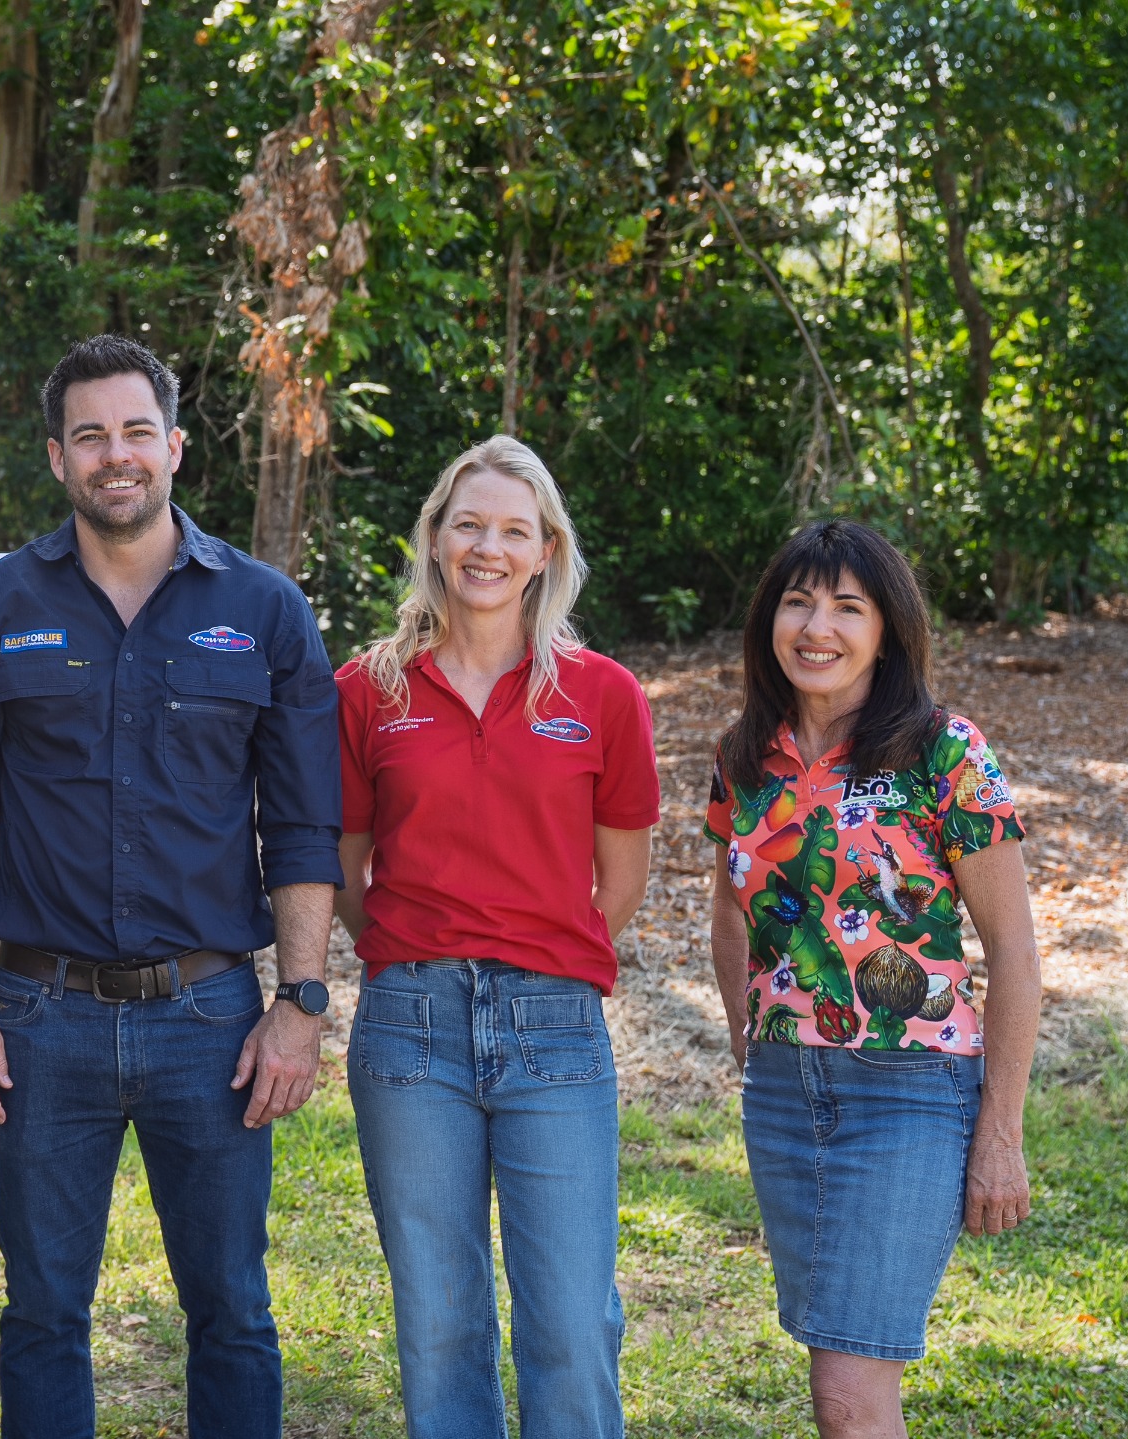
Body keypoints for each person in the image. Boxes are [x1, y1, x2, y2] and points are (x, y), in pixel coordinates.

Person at [0, 334, 342, 1439]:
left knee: (232, 1310)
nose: (117, 455)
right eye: (91, 434)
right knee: (44, 1312)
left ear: (176, 446)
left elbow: (301, 826)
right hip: (38, 1018)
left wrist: (298, 1006)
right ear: (57, 456)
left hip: (212, 1016)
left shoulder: (265, 607)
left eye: (136, 431)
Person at [332, 436, 656, 1439]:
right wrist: (417, 945)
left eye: (513, 528)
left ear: (545, 548)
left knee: (567, 1317)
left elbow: (624, 875)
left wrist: (537, 954)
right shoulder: (368, 689)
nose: (487, 545)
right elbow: (344, 868)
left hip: (553, 1022)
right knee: (436, 1318)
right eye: (467, 522)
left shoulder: (601, 695)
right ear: (432, 537)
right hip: (408, 1024)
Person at [705, 519, 1040, 1439]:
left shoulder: (944, 753)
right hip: (782, 1094)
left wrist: (999, 1133)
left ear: (887, 630)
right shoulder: (745, 756)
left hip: (911, 1093)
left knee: (850, 1397)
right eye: (799, 600)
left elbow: (1012, 951)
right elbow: (730, 909)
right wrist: (753, 1034)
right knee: (835, 1377)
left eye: (848, 606)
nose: (818, 626)